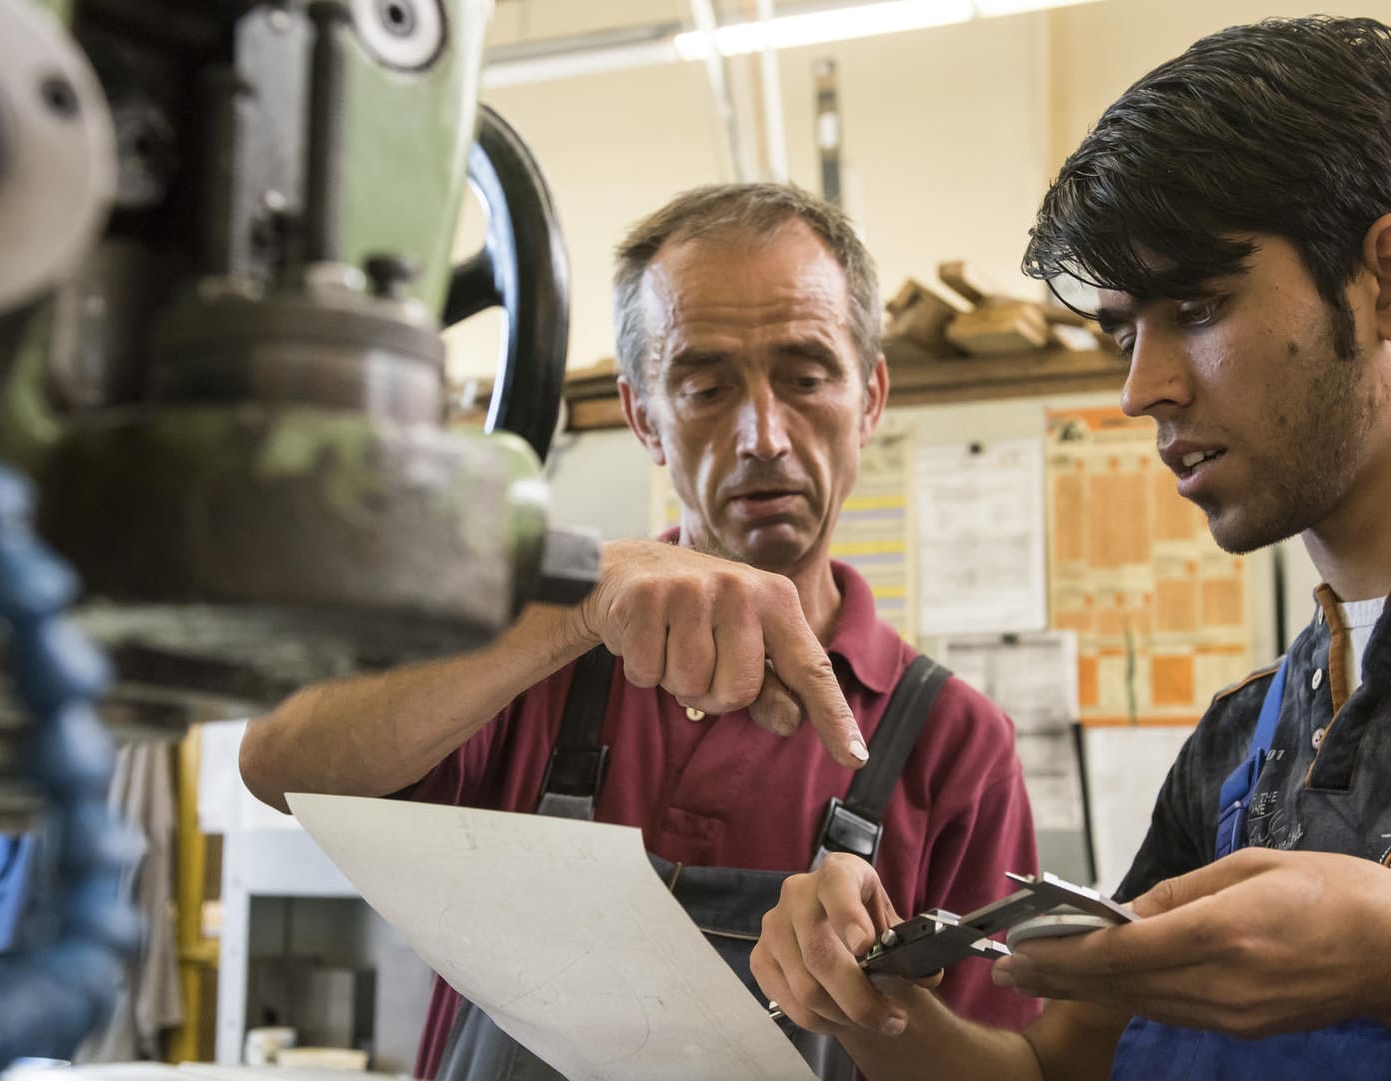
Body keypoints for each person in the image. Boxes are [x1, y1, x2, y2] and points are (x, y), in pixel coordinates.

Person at [750, 16, 1391, 1081]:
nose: (1139, 387)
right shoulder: (1241, 744)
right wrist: (874, 1009)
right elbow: (1049, 1073)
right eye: (1125, 332)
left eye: (1197, 305)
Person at [239, 182, 1041, 1081]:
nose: (762, 435)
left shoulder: (954, 740)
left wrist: (875, 1006)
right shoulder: (531, 660)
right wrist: (576, 603)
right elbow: (278, 763)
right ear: (641, 417)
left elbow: (1005, 1068)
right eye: (703, 386)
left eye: (807, 376)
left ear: (870, 397)